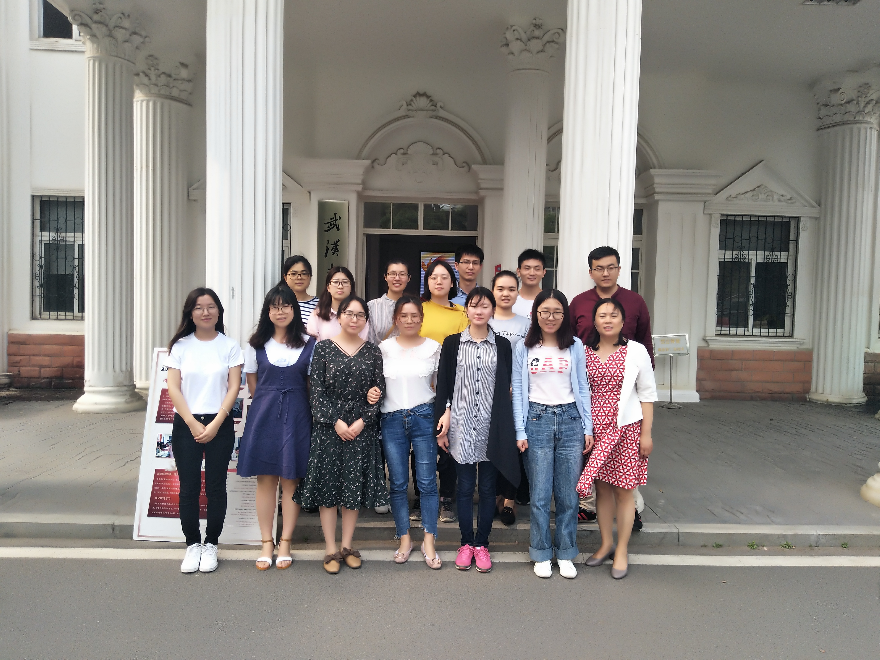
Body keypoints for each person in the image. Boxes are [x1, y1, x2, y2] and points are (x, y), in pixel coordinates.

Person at [295, 295, 388, 574]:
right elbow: (316, 391)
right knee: (328, 489)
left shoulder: (373, 352)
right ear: (340, 317)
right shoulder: (323, 348)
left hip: (361, 429)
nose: (354, 319)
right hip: (328, 428)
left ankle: (347, 545)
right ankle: (330, 548)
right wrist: (335, 421)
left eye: (360, 315)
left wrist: (362, 421)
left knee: (352, 487)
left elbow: (379, 392)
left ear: (366, 320)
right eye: (349, 313)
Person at [435, 287, 519, 574]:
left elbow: (509, 386)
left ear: (492, 311)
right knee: (464, 487)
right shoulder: (453, 343)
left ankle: (482, 544)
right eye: (474, 305)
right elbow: (445, 384)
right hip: (461, 424)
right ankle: (465, 543)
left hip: (491, 426)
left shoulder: (503, 346)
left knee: (486, 488)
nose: (479, 311)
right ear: (467, 309)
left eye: (485, 306)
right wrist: (444, 417)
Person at [569, 245, 654, 529]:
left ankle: (632, 509)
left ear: (619, 269)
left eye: (610, 267)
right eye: (599, 268)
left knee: (626, 464)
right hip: (592, 396)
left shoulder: (635, 301)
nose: (605, 273)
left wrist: (642, 390)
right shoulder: (579, 303)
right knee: (594, 460)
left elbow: (645, 343)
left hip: (626, 399)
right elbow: (570, 343)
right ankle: (588, 506)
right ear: (590, 272)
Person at [512, 290, 593, 579]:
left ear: (565, 314)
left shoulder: (575, 345)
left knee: (569, 495)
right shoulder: (524, 347)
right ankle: (541, 552)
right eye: (544, 311)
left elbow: (582, 386)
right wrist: (520, 430)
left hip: (571, 420)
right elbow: (518, 390)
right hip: (537, 420)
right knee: (540, 495)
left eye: (557, 312)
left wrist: (587, 427)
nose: (550, 317)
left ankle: (567, 551)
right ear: (535, 314)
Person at [237, 284, 316, 570]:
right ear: (267, 312)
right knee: (266, 479)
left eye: (286, 306)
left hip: (298, 415)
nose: (280, 312)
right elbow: (253, 385)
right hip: (264, 415)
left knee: (291, 479)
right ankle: (266, 542)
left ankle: (285, 542)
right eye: (275, 307)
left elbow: (310, 385)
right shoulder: (256, 344)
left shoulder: (309, 343)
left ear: (295, 310)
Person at [165, 288, 243, 574]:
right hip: (187, 423)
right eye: (199, 307)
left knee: (215, 487)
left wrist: (217, 421)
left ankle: (211, 544)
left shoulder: (230, 346)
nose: (205, 312)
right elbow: (173, 387)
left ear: (219, 311)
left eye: (211, 307)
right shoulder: (180, 347)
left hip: (219, 423)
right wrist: (192, 422)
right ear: (190, 313)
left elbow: (233, 387)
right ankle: (192, 544)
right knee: (188, 488)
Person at [578, 298, 657, 579]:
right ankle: (606, 544)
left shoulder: (636, 350)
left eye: (614, 315)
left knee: (624, 491)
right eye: (602, 315)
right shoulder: (584, 350)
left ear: (623, 321)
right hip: (595, 430)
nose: (608, 320)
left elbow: (647, 394)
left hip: (627, 428)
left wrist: (646, 434)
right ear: (594, 321)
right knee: (601, 490)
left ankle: (622, 549)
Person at [379, 295, 442, 568]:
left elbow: (441, 387)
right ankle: (404, 537)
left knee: (427, 482)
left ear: (421, 318)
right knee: (397, 482)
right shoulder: (383, 348)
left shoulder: (434, 348)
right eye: (403, 316)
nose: (409, 320)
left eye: (414, 315)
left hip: (424, 416)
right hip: (391, 419)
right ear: (396, 319)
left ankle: (429, 539)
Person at [414, 258, 469, 524]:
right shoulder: (417, 309)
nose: (438, 281)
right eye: (433, 277)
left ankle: (447, 498)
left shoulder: (461, 314)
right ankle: (420, 497)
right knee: (420, 444)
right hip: (419, 386)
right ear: (427, 281)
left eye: (444, 277)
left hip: (451, 386)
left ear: (452, 282)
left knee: (448, 443)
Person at [488, 270, 531, 525]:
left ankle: (510, 500)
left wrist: (517, 386)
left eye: (511, 289)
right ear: (493, 291)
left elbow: (528, 359)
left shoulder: (525, 324)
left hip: (515, 393)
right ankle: (494, 495)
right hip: (486, 394)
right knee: (491, 445)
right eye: (500, 289)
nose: (506, 294)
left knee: (513, 447)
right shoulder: (485, 320)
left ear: (517, 293)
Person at [306, 266, 370, 342]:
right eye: (336, 282)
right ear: (328, 287)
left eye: (345, 282)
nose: (340, 286)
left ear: (351, 287)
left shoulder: (360, 315)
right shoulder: (317, 315)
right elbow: (313, 344)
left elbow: (363, 341)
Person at [367, 259, 411, 345]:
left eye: (402, 274)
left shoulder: (414, 307)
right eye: (392, 274)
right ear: (385, 277)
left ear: (408, 278)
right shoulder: (372, 306)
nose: (397, 278)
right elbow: (368, 339)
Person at [281, 255, 319, 325]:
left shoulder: (320, 305)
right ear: (285, 277)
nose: (299, 277)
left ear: (310, 276)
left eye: (304, 273)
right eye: (293, 274)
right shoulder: (278, 303)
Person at [512, 249, 547, 318]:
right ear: (518, 271)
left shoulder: (549, 300)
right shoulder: (511, 300)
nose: (532, 273)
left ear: (544, 272)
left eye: (537, 269)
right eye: (527, 268)